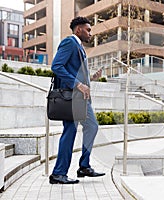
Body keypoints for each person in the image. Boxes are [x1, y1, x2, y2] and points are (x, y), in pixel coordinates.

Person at [49, 16, 105, 184]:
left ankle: (84, 166)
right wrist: (78, 84)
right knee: (70, 132)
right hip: (71, 98)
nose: (90, 33)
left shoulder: (79, 47)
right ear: (78, 29)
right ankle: (58, 173)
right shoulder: (69, 43)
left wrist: (91, 78)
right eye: (88, 30)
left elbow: (75, 72)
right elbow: (56, 66)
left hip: (80, 98)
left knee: (92, 126)